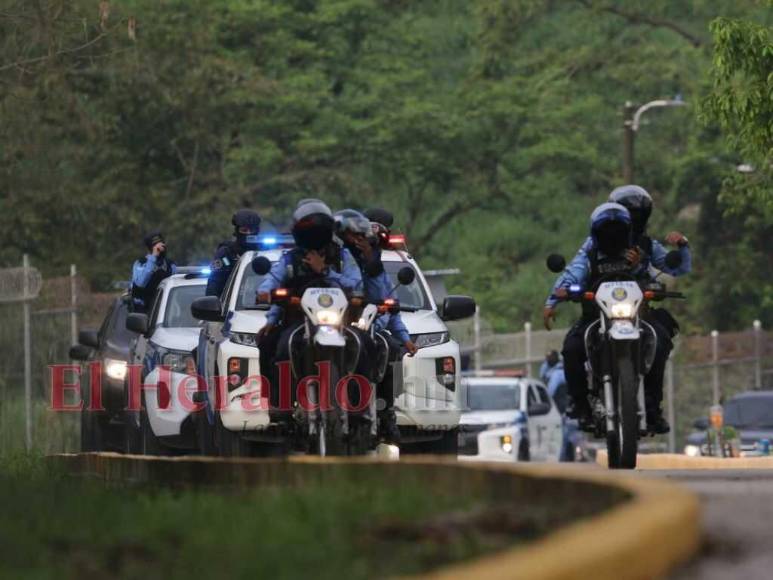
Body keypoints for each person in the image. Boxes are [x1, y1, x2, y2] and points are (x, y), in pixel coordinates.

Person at [544, 202, 672, 433]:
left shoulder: (638, 254)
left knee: (660, 341)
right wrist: (553, 301)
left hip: (636, 316)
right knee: (571, 349)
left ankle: (653, 406)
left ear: (628, 231)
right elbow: (571, 276)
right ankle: (581, 407)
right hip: (595, 316)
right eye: (607, 231)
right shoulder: (588, 256)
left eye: (618, 230)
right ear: (597, 233)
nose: (612, 236)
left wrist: (644, 272)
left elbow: (656, 276)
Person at [257, 200, 362, 413]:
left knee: (365, 346)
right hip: (299, 320)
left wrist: (324, 270)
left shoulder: (343, 256)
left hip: (340, 319)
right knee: (276, 346)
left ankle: (363, 404)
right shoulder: (290, 259)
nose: (314, 236)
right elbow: (273, 279)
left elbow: (357, 284)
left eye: (318, 231)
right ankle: (280, 403)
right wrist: (265, 293)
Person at [334, 209, 417, 441]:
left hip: (369, 329)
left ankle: (386, 412)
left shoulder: (375, 265)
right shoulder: (334, 258)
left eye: (366, 240)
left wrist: (405, 338)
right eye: (357, 237)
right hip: (333, 328)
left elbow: (389, 303)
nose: (361, 243)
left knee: (392, 350)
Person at [205, 209, 262, 297]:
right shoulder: (226, 254)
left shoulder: (264, 252)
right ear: (237, 231)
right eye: (244, 230)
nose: (248, 234)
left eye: (252, 230)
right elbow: (214, 286)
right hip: (231, 302)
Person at [131, 231, 176, 312]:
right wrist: (153, 257)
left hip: (163, 309)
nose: (160, 249)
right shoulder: (140, 263)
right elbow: (141, 283)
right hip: (143, 312)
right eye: (156, 246)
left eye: (161, 244)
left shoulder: (170, 265)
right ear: (150, 248)